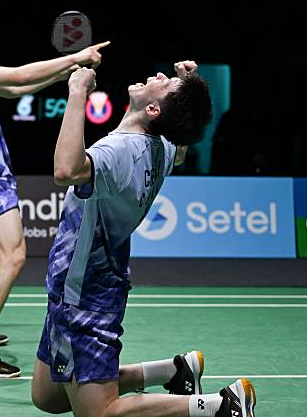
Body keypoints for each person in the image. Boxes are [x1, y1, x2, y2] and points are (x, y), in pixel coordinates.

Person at [31, 62, 257, 416]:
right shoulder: (161, 148)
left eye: (165, 85)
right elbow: (180, 146)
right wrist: (186, 87)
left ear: (153, 109)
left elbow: (66, 170)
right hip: (85, 281)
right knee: (48, 396)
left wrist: (77, 92)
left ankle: (220, 405)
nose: (158, 76)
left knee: (99, 413)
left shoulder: (122, 150)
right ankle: (173, 370)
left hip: (83, 291)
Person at [0, 0, 110, 378]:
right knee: (13, 256)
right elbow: (18, 77)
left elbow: (11, 91)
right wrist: (73, 58)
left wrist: (65, 75)